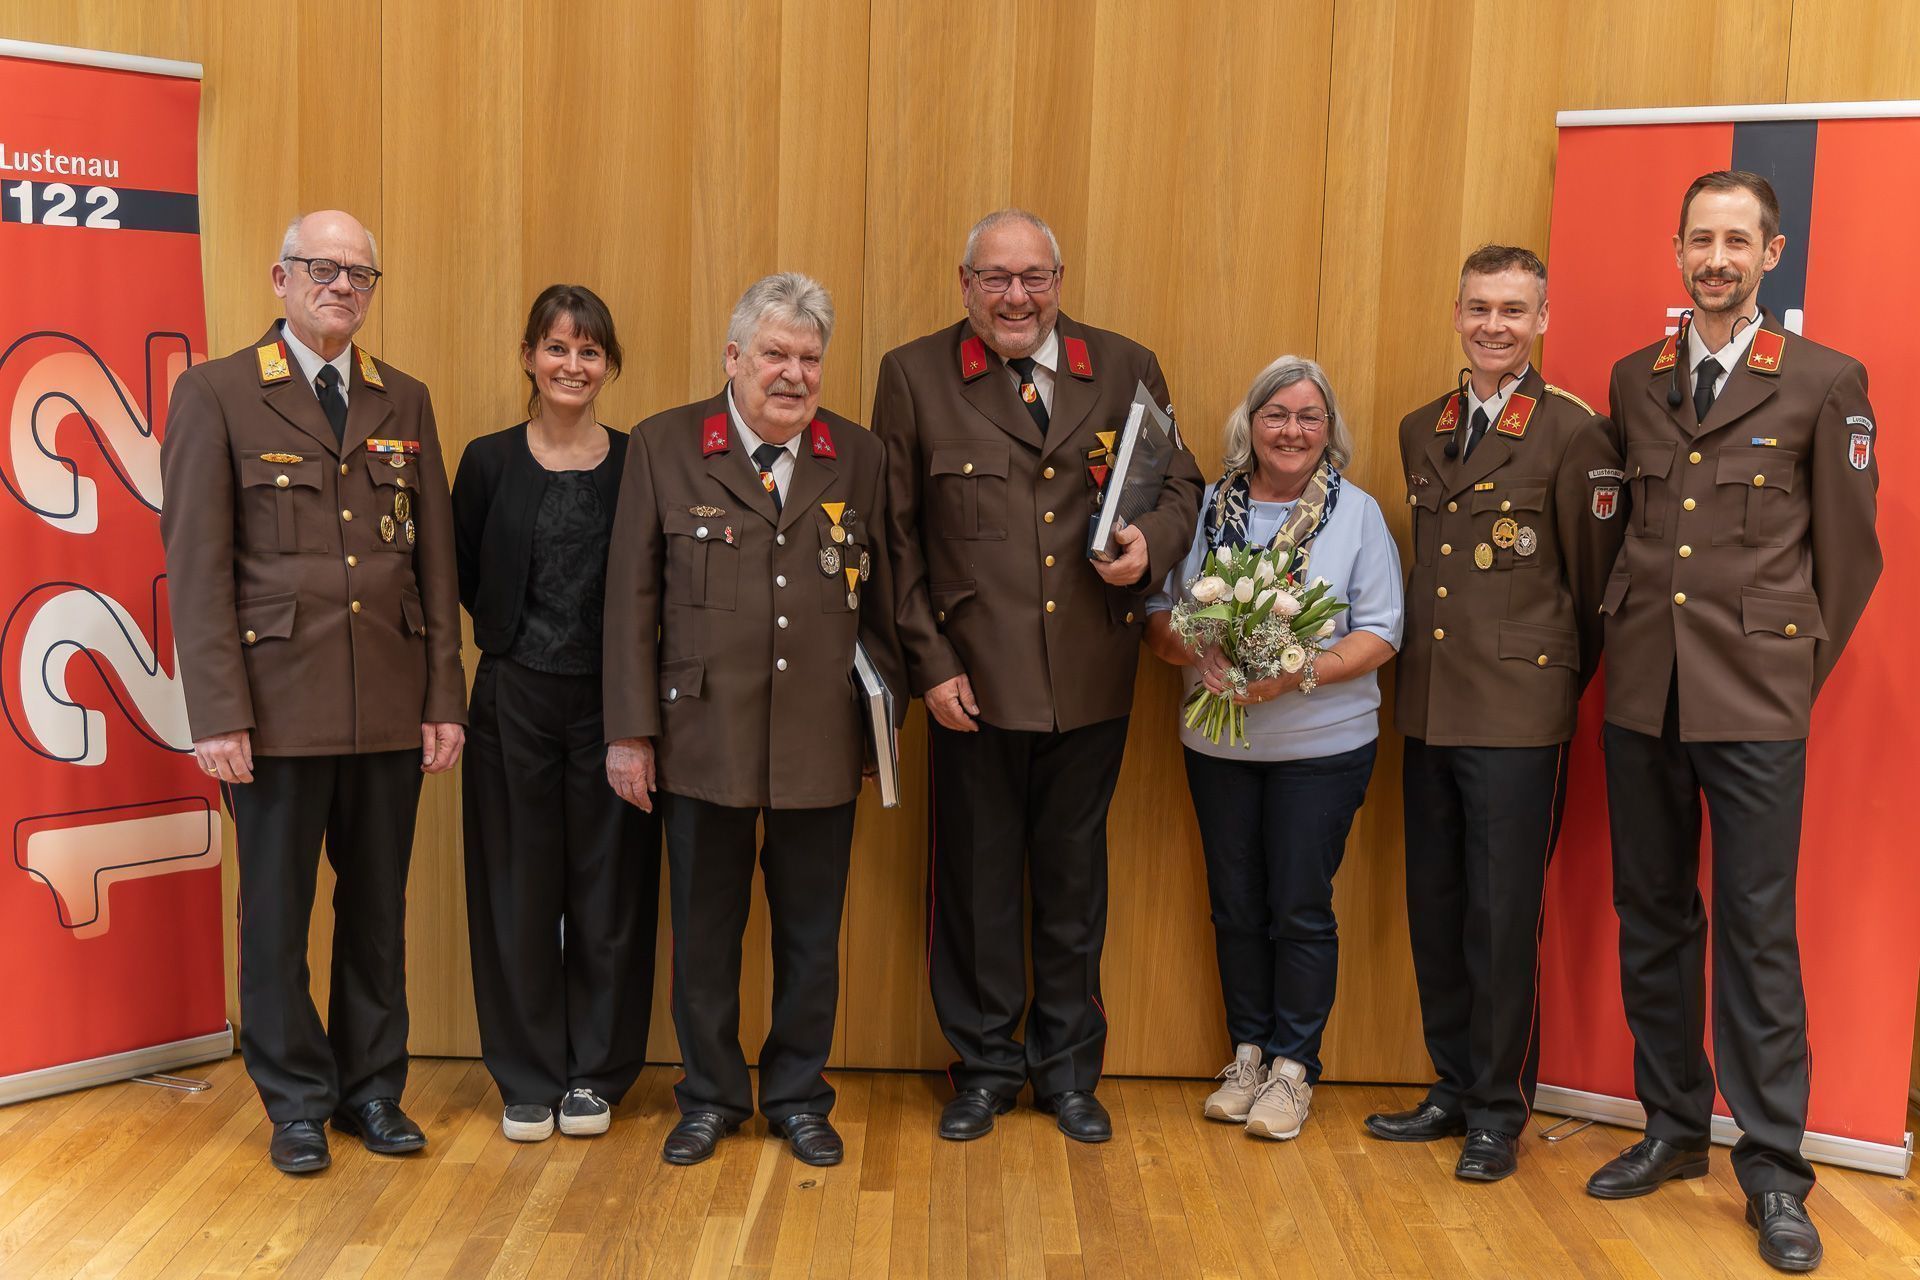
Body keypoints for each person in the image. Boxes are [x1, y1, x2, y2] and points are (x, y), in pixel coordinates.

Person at [1588, 171, 1880, 1274]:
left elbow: (1850, 558)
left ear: (1772, 252)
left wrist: (1790, 674)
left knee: (1757, 929)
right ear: (1677, 252)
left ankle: (1772, 1169)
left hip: (1754, 697)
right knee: (1653, 909)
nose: (1716, 258)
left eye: (1736, 241)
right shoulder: (1636, 375)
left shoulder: (1821, 378)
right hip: (1643, 689)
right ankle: (1671, 1124)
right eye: (1699, 241)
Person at [873, 209, 1203, 1144]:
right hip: (970, 686)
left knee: (1072, 885)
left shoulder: (1126, 365)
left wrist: (1152, 547)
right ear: (964, 283)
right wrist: (926, 666)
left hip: (1089, 679)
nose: (1016, 296)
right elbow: (893, 536)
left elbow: (1180, 484)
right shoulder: (913, 375)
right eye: (996, 278)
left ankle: (1067, 1072)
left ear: (1060, 280)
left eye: (1034, 278)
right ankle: (982, 1067)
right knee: (975, 886)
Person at [159, 210, 466, 1175]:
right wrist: (218, 714)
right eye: (322, 269)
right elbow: (197, 567)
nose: (342, 286)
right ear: (280, 279)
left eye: (359, 275)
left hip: (387, 699)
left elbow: (435, 566)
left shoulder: (403, 399)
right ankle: (295, 1099)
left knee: (377, 909)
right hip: (274, 711)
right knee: (277, 915)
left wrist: (443, 695)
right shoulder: (215, 395)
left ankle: (373, 1090)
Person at [602, 272, 904, 1169]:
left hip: (819, 735)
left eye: (809, 358)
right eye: (775, 354)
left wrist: (882, 724)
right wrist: (629, 731)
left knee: (812, 935)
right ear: (733, 358)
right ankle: (709, 1096)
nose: (794, 374)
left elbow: (882, 604)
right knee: (703, 933)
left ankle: (800, 1097)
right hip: (702, 738)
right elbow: (629, 603)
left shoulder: (859, 455)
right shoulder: (663, 445)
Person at [1361, 246, 1625, 1182]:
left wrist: (1543, 681)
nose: (1494, 326)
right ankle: (1450, 1084)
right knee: (1435, 907)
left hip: (1518, 714)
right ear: (1458, 312)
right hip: (1429, 706)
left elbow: (1595, 591)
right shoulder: (1417, 429)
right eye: (1479, 308)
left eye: (1515, 310)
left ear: (1543, 319)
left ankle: (1496, 1110)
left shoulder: (1571, 433)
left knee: (1501, 916)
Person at [1143, 355, 1402, 1142]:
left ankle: (1294, 1069)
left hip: (1321, 747)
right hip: (1217, 747)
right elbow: (1156, 617)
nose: (1292, 431)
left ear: (1330, 432)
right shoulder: (1204, 509)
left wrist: (1296, 675)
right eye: (1276, 415)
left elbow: (1382, 631)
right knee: (1235, 907)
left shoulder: (1357, 515)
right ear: (1248, 425)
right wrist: (1195, 650)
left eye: (1309, 417)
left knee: (1297, 905)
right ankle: (1247, 1055)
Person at [451, 286, 661, 1144]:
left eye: (590, 351)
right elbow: (466, 576)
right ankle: (528, 1074)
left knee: (612, 893)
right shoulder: (489, 460)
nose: (573, 365)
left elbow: (654, 580)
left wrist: (632, 718)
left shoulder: (637, 462)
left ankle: (598, 1075)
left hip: (615, 706)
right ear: (530, 358)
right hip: (514, 698)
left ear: (609, 366)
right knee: (516, 890)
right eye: (557, 348)